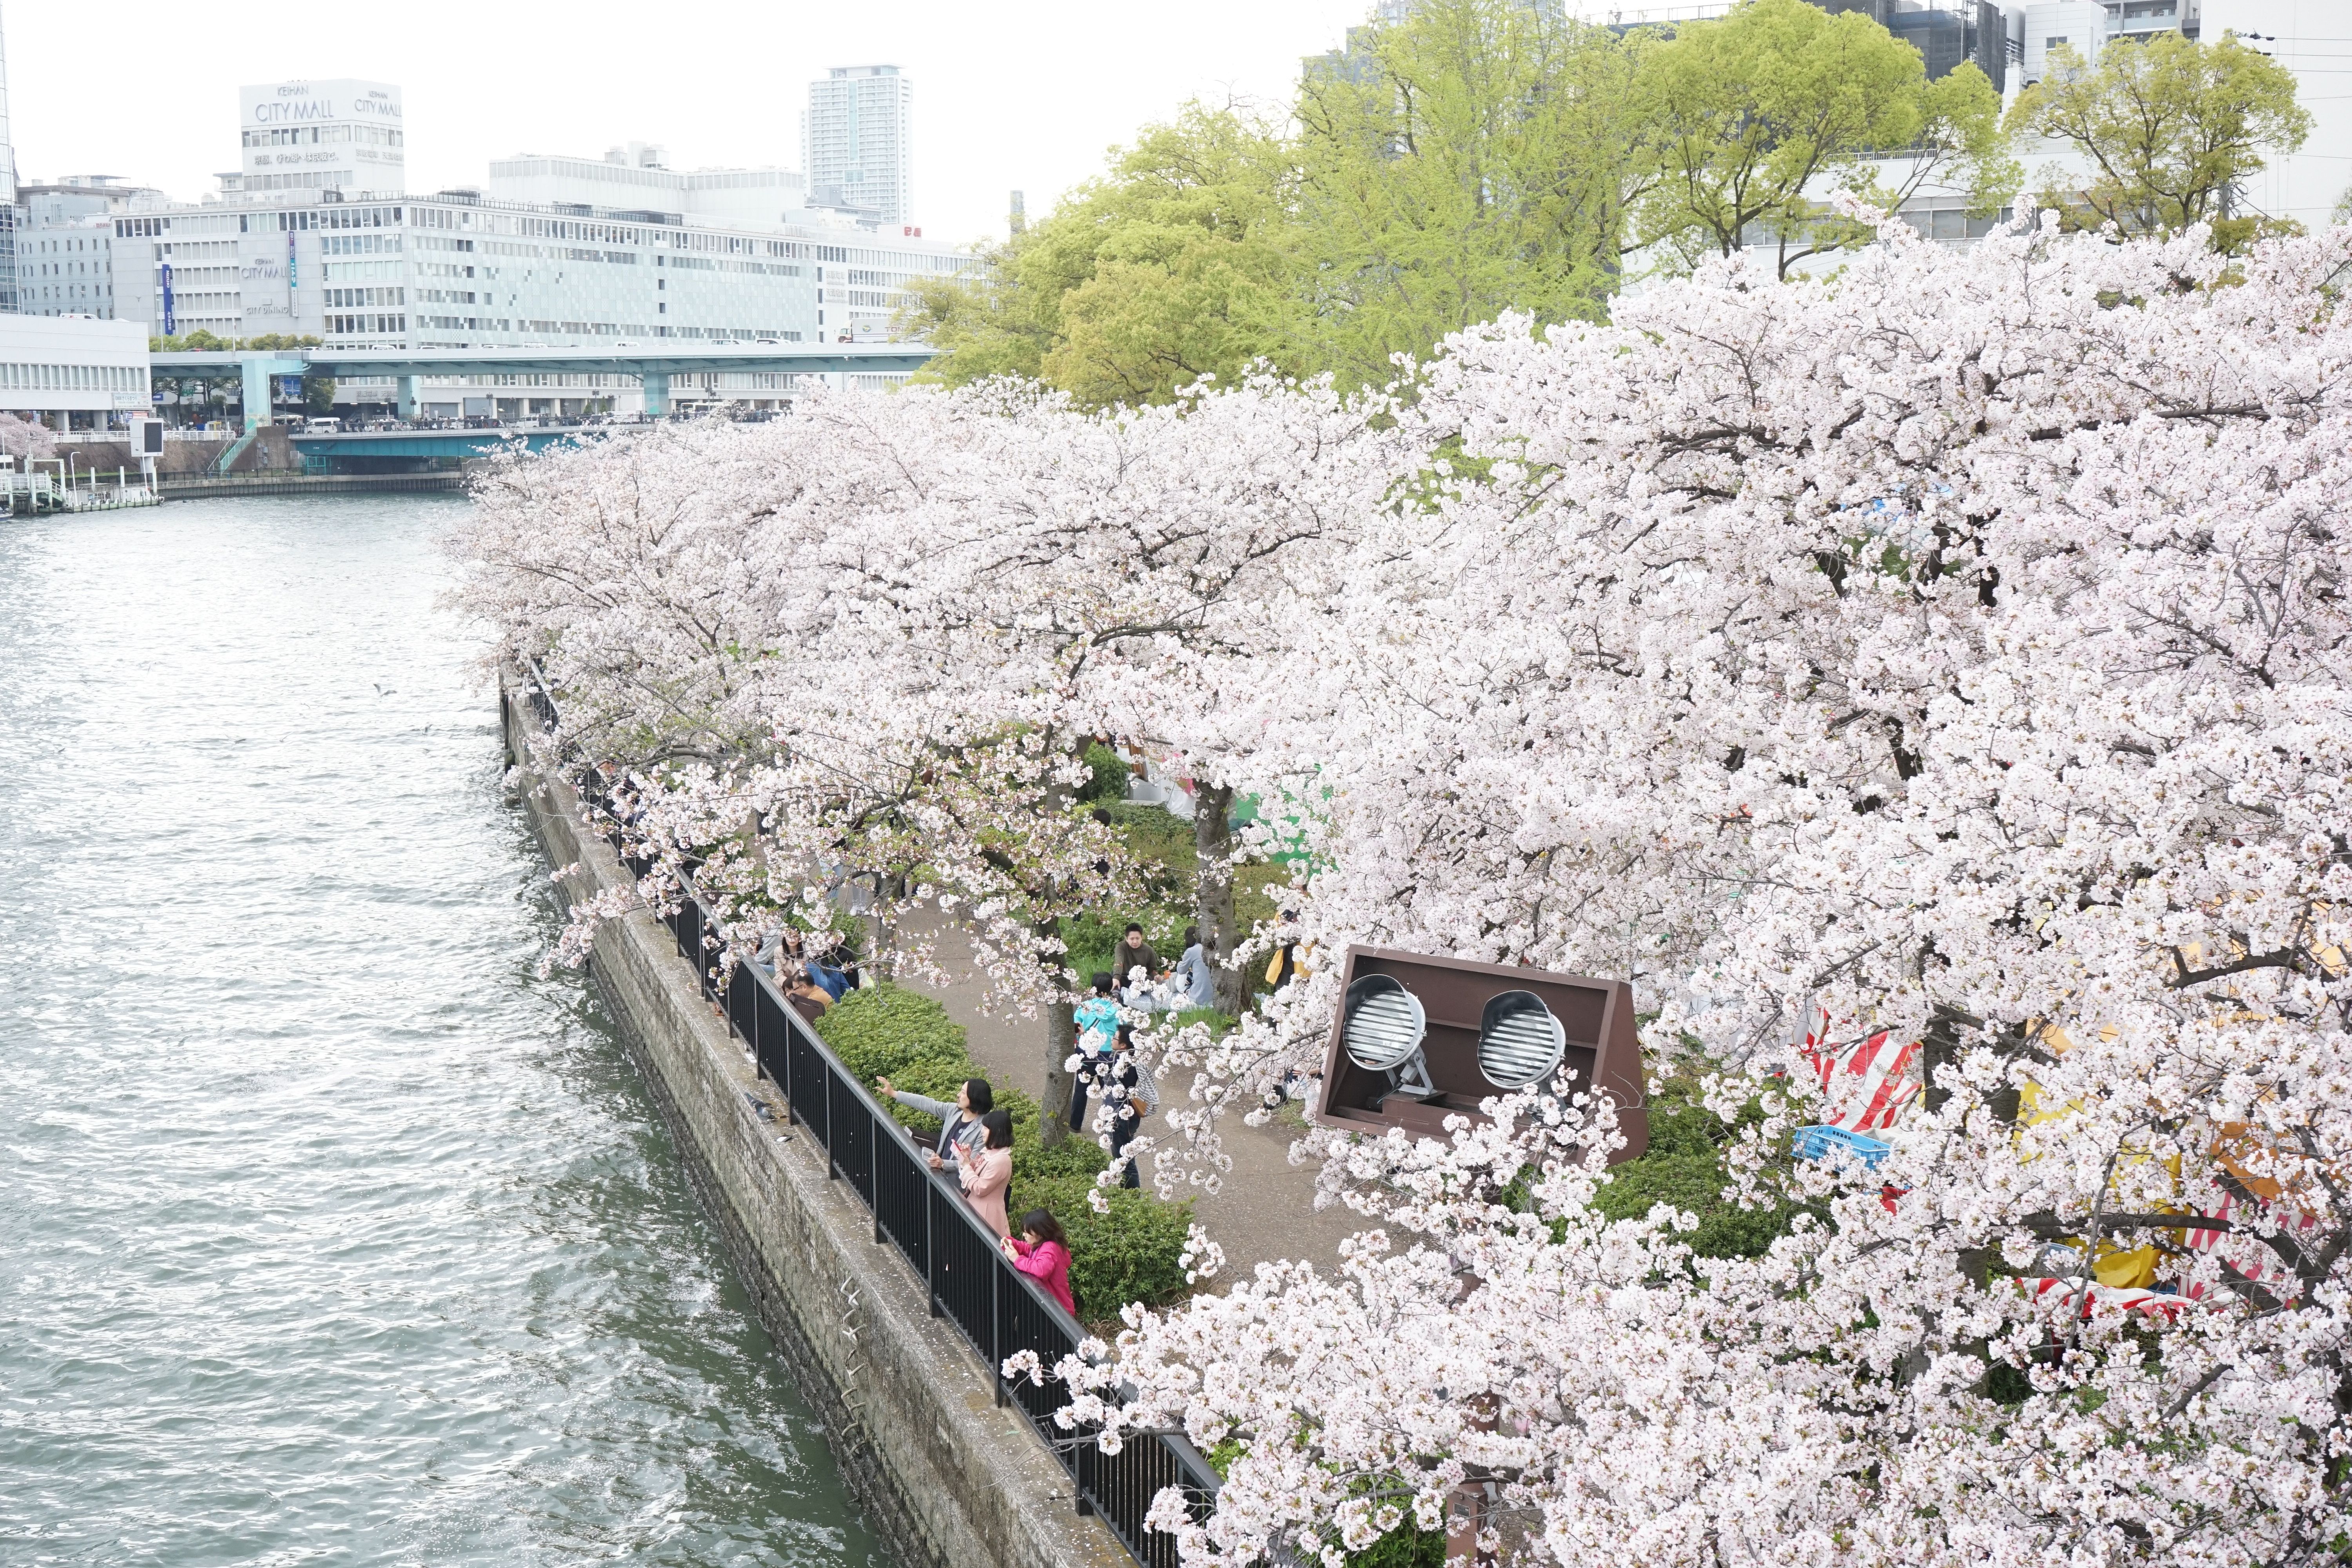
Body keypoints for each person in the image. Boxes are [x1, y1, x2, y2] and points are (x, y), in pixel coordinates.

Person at [877, 1074, 993, 1172]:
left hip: (957, 1184)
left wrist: (944, 1164)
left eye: (963, 1093)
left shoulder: (984, 1128)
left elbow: (973, 1163)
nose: (958, 1095)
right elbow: (928, 1104)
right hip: (938, 1173)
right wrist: (894, 1093)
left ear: (974, 1098)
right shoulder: (954, 1110)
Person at [1103, 1023, 1160, 1189]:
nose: (1112, 1039)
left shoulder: (1119, 1064)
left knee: (1125, 1161)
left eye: (1115, 1038)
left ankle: (1133, 1196)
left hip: (1119, 1119)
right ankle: (1129, 1194)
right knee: (1125, 1158)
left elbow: (1095, 1059)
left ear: (1123, 1045)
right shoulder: (1134, 1061)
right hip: (1128, 1117)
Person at [1069, 972, 1119, 1132]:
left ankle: (1075, 1124)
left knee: (1081, 1089)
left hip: (1086, 1052)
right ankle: (1111, 1125)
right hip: (1108, 1055)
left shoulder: (1085, 1007)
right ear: (1110, 989)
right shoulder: (1117, 1009)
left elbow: (1075, 1025)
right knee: (1109, 1091)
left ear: (1093, 988)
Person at [1002, 1208, 1074, 1315]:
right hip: (1052, 1307)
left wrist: (1017, 1259)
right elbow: (1028, 1249)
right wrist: (1012, 1243)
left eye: (1027, 1232)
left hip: (1058, 1312)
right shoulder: (1043, 1245)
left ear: (1040, 1233)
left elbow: (1041, 1270)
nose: (1024, 1235)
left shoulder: (1051, 1248)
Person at [959, 1109, 1016, 1237]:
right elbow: (980, 1173)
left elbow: (980, 1189)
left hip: (988, 1214)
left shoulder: (1002, 1160)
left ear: (997, 1132)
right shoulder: (991, 1151)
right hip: (977, 1208)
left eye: (986, 1129)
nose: (982, 1132)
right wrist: (968, 1160)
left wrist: (967, 1166)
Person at [1114, 923, 1162, 998]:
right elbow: (1119, 962)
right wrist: (1116, 978)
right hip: (1125, 978)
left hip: (1140, 981)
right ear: (1127, 939)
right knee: (1113, 975)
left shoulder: (1149, 950)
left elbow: (1152, 969)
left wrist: (1156, 976)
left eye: (1138, 938)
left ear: (1142, 937)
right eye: (1132, 939)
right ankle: (1116, 996)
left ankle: (1135, 995)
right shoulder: (1121, 946)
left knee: (1148, 979)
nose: (1135, 942)